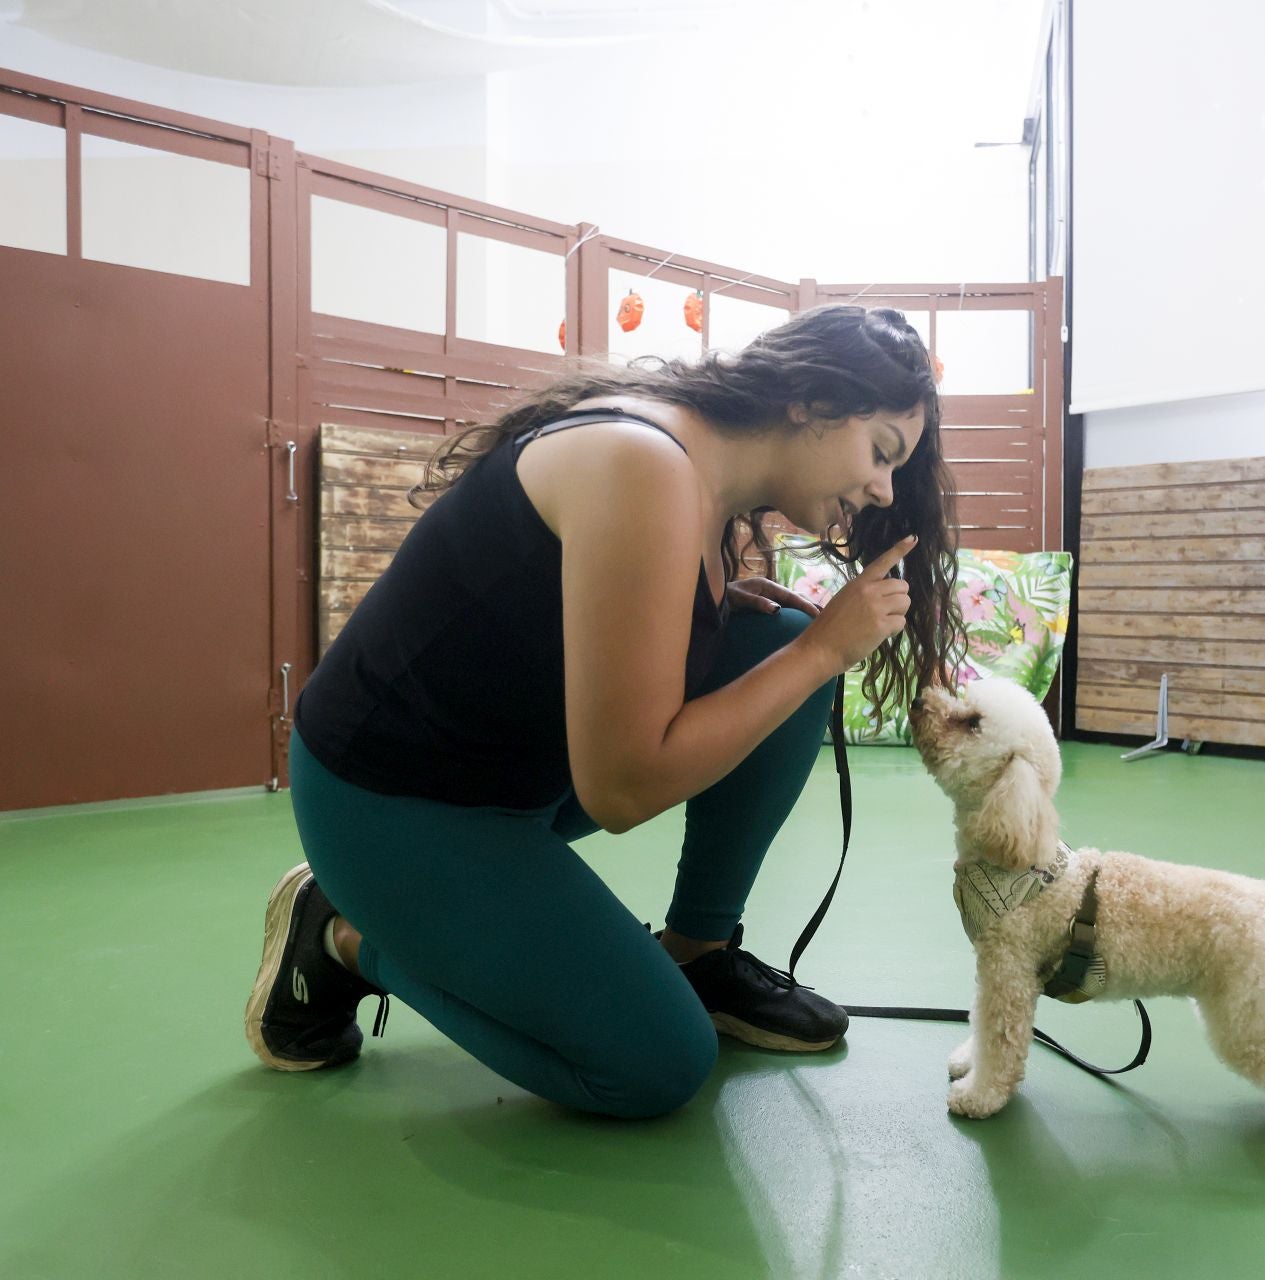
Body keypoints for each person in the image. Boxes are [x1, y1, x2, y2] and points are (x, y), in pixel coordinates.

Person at [243, 305, 963, 1119]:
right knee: (656, 1062)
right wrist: (821, 655)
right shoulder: (642, 463)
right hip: (389, 805)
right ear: (809, 401)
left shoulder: (699, 477)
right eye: (881, 452)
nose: (882, 488)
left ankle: (700, 953)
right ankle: (343, 938)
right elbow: (623, 789)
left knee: (778, 641)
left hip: (510, 777)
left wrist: (762, 641)